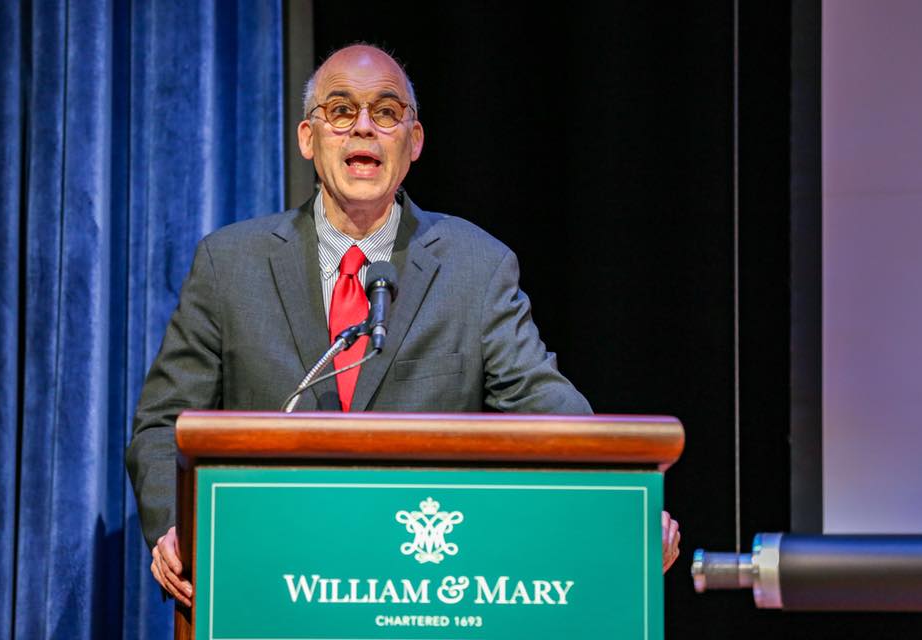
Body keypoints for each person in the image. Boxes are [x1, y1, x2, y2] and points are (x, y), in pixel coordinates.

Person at [126, 44, 681, 607]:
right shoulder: (229, 265)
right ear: (307, 138)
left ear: (413, 142)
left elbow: (550, 412)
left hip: (417, 591)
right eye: (341, 110)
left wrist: (624, 502)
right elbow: (164, 424)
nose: (364, 127)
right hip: (266, 579)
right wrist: (178, 526)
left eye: (387, 112)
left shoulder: (476, 268)